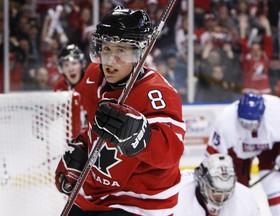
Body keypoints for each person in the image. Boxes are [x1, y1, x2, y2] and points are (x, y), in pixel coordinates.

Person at [54, 6, 186, 215]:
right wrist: (79, 149)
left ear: (139, 53)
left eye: (121, 51)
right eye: (106, 49)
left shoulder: (157, 94)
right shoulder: (91, 77)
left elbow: (171, 153)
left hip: (141, 200)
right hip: (95, 192)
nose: (111, 61)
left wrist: (142, 138)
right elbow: (92, 130)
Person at [206, 92, 280, 216]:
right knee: (237, 189)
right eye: (244, 123)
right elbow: (212, 155)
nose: (248, 128)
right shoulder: (225, 121)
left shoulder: (278, 111)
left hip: (270, 148)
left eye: (253, 124)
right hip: (238, 152)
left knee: (273, 184)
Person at [174, 154, 260, 216]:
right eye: (215, 192)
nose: (221, 199)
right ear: (202, 184)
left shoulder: (246, 199)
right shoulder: (179, 199)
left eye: (226, 193)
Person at [54, 44, 88, 137]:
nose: (70, 68)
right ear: (61, 68)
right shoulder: (59, 87)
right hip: (69, 139)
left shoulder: (91, 83)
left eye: (74, 63)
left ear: (82, 64)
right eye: (66, 65)